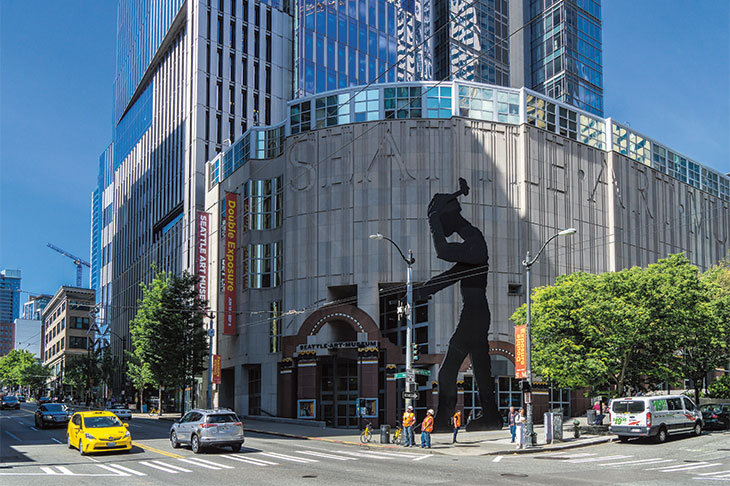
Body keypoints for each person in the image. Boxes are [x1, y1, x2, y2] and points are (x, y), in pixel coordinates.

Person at [414, 178, 502, 432]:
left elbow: (442, 252)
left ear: (449, 217)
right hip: (477, 312)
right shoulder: (473, 242)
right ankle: (492, 416)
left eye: (442, 222)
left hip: (474, 314)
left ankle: (441, 421)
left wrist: (432, 221)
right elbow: (451, 276)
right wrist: (421, 291)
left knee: (447, 371)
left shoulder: (475, 240)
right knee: (482, 369)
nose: (442, 227)